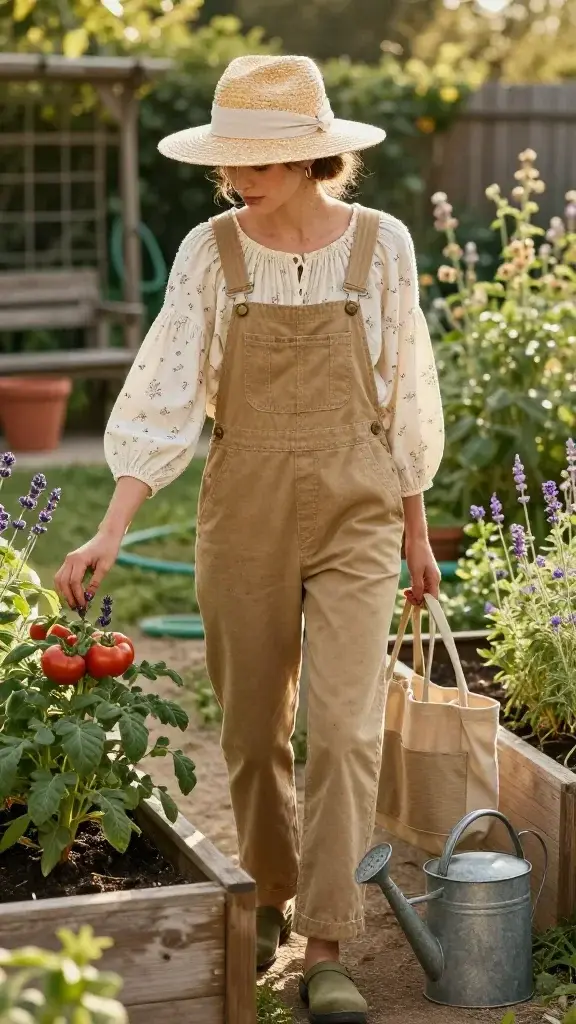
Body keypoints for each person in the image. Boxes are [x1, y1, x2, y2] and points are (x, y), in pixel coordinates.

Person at [55, 54, 443, 1024]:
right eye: (229, 164)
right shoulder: (210, 252)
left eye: (257, 162)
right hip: (244, 505)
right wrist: (111, 527)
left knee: (345, 727)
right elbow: (167, 397)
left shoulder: (382, 248)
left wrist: (417, 531)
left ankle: (326, 940)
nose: (236, 179)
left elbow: (405, 399)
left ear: (313, 156)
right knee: (251, 730)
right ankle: (269, 897)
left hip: (359, 507)